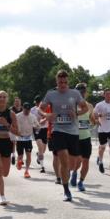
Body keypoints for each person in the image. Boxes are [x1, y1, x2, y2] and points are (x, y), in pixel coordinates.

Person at [40, 70, 89, 202]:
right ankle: (66, 190)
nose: (63, 85)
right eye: (60, 82)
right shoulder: (51, 94)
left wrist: (77, 113)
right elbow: (40, 108)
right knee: (64, 160)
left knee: (72, 164)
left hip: (73, 131)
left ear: (68, 82)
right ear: (57, 81)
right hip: (58, 130)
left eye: (65, 82)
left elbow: (85, 108)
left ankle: (67, 175)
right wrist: (46, 115)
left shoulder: (75, 93)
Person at [71, 83, 94, 192]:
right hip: (75, 137)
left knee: (86, 161)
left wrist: (95, 121)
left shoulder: (89, 106)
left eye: (83, 91)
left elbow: (91, 119)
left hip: (86, 137)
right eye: (79, 92)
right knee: (78, 160)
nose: (82, 94)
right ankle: (74, 172)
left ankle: (81, 182)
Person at [93, 89, 110, 174]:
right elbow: (94, 115)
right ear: (104, 95)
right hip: (102, 129)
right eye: (107, 94)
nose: (109, 96)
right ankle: (100, 162)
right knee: (102, 147)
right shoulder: (99, 105)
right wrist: (100, 115)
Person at [14, 97, 36, 178]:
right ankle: (19, 162)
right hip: (20, 138)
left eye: (28, 110)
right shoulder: (17, 116)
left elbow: (37, 125)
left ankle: (26, 171)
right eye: (26, 110)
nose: (27, 111)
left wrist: (37, 127)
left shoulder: (32, 116)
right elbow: (13, 126)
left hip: (28, 138)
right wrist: (15, 133)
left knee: (29, 155)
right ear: (23, 108)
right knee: (20, 156)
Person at [31, 97, 48, 173]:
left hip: (45, 129)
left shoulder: (47, 108)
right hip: (37, 129)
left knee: (43, 149)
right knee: (40, 147)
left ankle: (39, 155)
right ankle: (42, 167)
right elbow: (32, 120)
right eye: (36, 102)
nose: (37, 104)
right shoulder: (32, 110)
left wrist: (46, 119)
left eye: (39, 102)